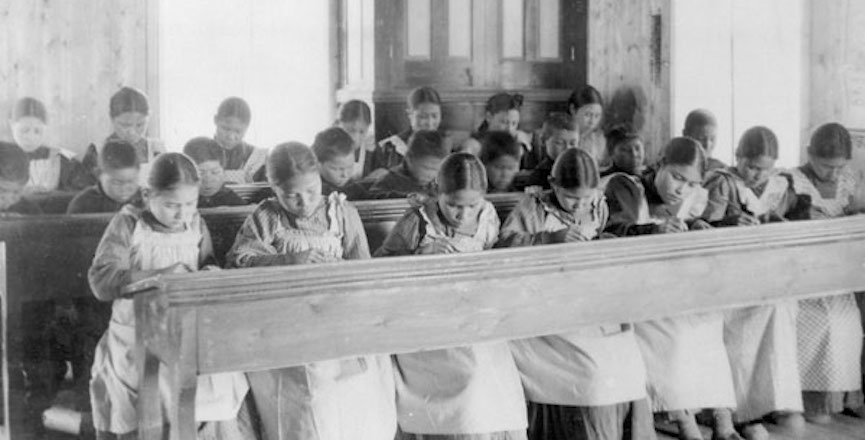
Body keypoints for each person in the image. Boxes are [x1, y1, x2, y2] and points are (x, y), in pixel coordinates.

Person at [226, 142, 397, 440]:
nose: (304, 202)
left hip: (338, 318)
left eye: (311, 190)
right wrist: (287, 260)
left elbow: (363, 269)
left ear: (320, 178)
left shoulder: (341, 212)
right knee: (309, 399)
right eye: (291, 195)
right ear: (274, 189)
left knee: (351, 392)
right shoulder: (267, 216)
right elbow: (238, 261)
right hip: (285, 323)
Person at [89, 153, 253, 439]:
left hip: (184, 329)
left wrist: (211, 273)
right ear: (147, 194)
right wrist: (161, 275)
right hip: (135, 332)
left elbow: (207, 261)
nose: (182, 214)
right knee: (147, 402)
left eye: (191, 204)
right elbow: (101, 280)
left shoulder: (195, 224)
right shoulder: (129, 224)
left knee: (213, 386)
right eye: (171, 205)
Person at [501, 148, 655, 440]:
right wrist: (548, 239)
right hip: (544, 307)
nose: (578, 206)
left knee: (626, 355)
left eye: (585, 198)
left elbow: (603, 236)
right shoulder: (533, 208)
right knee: (591, 369)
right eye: (571, 198)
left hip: (585, 298)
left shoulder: (597, 204)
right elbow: (504, 247)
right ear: (553, 184)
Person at [376, 152, 528, 440]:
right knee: (469, 380)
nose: (463, 214)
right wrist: (419, 256)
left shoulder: (488, 215)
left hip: (476, 315)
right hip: (428, 321)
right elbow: (380, 266)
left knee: (489, 377)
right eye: (454, 206)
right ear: (437, 192)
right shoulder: (417, 222)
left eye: (472, 205)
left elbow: (495, 258)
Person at [605, 138, 741, 440]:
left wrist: (703, 228)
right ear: (659, 163)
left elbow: (687, 225)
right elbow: (612, 231)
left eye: (690, 183)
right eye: (677, 177)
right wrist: (652, 230)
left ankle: (721, 416)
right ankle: (684, 419)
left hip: (667, 285)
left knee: (708, 320)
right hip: (629, 287)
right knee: (674, 330)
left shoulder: (689, 197)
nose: (681, 189)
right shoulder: (626, 186)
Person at [701, 126, 804, 437]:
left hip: (761, 271)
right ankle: (738, 411)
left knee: (779, 309)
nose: (757, 174)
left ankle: (771, 401)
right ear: (738, 158)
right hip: (723, 274)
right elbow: (703, 225)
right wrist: (729, 224)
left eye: (764, 168)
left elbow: (784, 217)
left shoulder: (779, 186)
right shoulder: (723, 182)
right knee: (742, 324)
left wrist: (778, 223)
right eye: (751, 166)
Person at [784, 123, 864, 423]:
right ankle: (812, 400)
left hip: (839, 271)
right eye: (826, 166)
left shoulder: (848, 181)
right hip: (803, 274)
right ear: (809, 154)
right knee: (823, 322)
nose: (833, 173)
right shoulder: (791, 180)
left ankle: (846, 395)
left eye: (839, 167)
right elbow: (777, 222)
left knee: (848, 322)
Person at [9, 97, 92, 193]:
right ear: (12, 125)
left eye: (37, 131)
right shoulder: (3, 157)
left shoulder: (60, 158)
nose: (31, 137)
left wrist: (51, 194)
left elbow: (85, 193)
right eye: (24, 130)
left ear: (46, 129)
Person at [82, 87, 164, 183]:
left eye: (140, 125)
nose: (132, 132)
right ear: (112, 119)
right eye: (125, 125)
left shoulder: (156, 150)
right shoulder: (97, 150)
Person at [368, 86, 444, 175]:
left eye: (435, 116)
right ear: (409, 114)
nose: (430, 123)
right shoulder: (390, 147)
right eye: (423, 117)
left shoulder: (447, 148)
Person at [365, 130, 449, 202]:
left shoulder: (436, 185)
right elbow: (371, 200)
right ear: (409, 159)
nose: (430, 174)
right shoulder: (391, 180)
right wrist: (403, 198)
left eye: (435, 169)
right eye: (426, 168)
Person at [461, 92, 538, 170]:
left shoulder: (521, 142)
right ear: (489, 117)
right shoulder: (473, 146)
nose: (509, 129)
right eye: (504, 122)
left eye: (514, 123)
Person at [68, 141, 142, 214]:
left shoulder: (145, 201)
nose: (124, 189)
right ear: (99, 175)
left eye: (131, 181)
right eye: (116, 183)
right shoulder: (82, 204)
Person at [213, 97, 267, 183]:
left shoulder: (256, 157)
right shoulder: (198, 153)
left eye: (238, 131)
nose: (231, 137)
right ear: (215, 120)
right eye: (226, 129)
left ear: (247, 128)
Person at [182, 137, 246, 208]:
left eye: (215, 172)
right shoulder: (181, 199)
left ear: (224, 172)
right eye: (200, 173)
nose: (208, 179)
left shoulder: (231, 198)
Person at [523, 113, 579, 190]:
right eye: (559, 143)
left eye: (573, 143)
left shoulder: (581, 169)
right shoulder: (538, 177)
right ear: (543, 141)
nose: (567, 148)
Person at [311, 127, 358, 196]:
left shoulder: (352, 186)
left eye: (350, 167)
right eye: (336, 169)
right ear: (318, 163)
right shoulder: (316, 190)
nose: (345, 175)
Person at [336, 99, 375, 179]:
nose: (355, 138)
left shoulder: (371, 149)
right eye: (350, 130)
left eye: (362, 132)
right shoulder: (326, 145)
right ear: (339, 124)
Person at [567, 86, 607, 166]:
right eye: (587, 115)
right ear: (573, 110)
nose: (592, 121)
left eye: (597, 116)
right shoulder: (562, 135)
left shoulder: (599, 138)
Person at [0, 141, 42, 216]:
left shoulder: (29, 210)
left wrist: (22, 225)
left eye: (16, 192)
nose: (9, 200)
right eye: (2, 191)